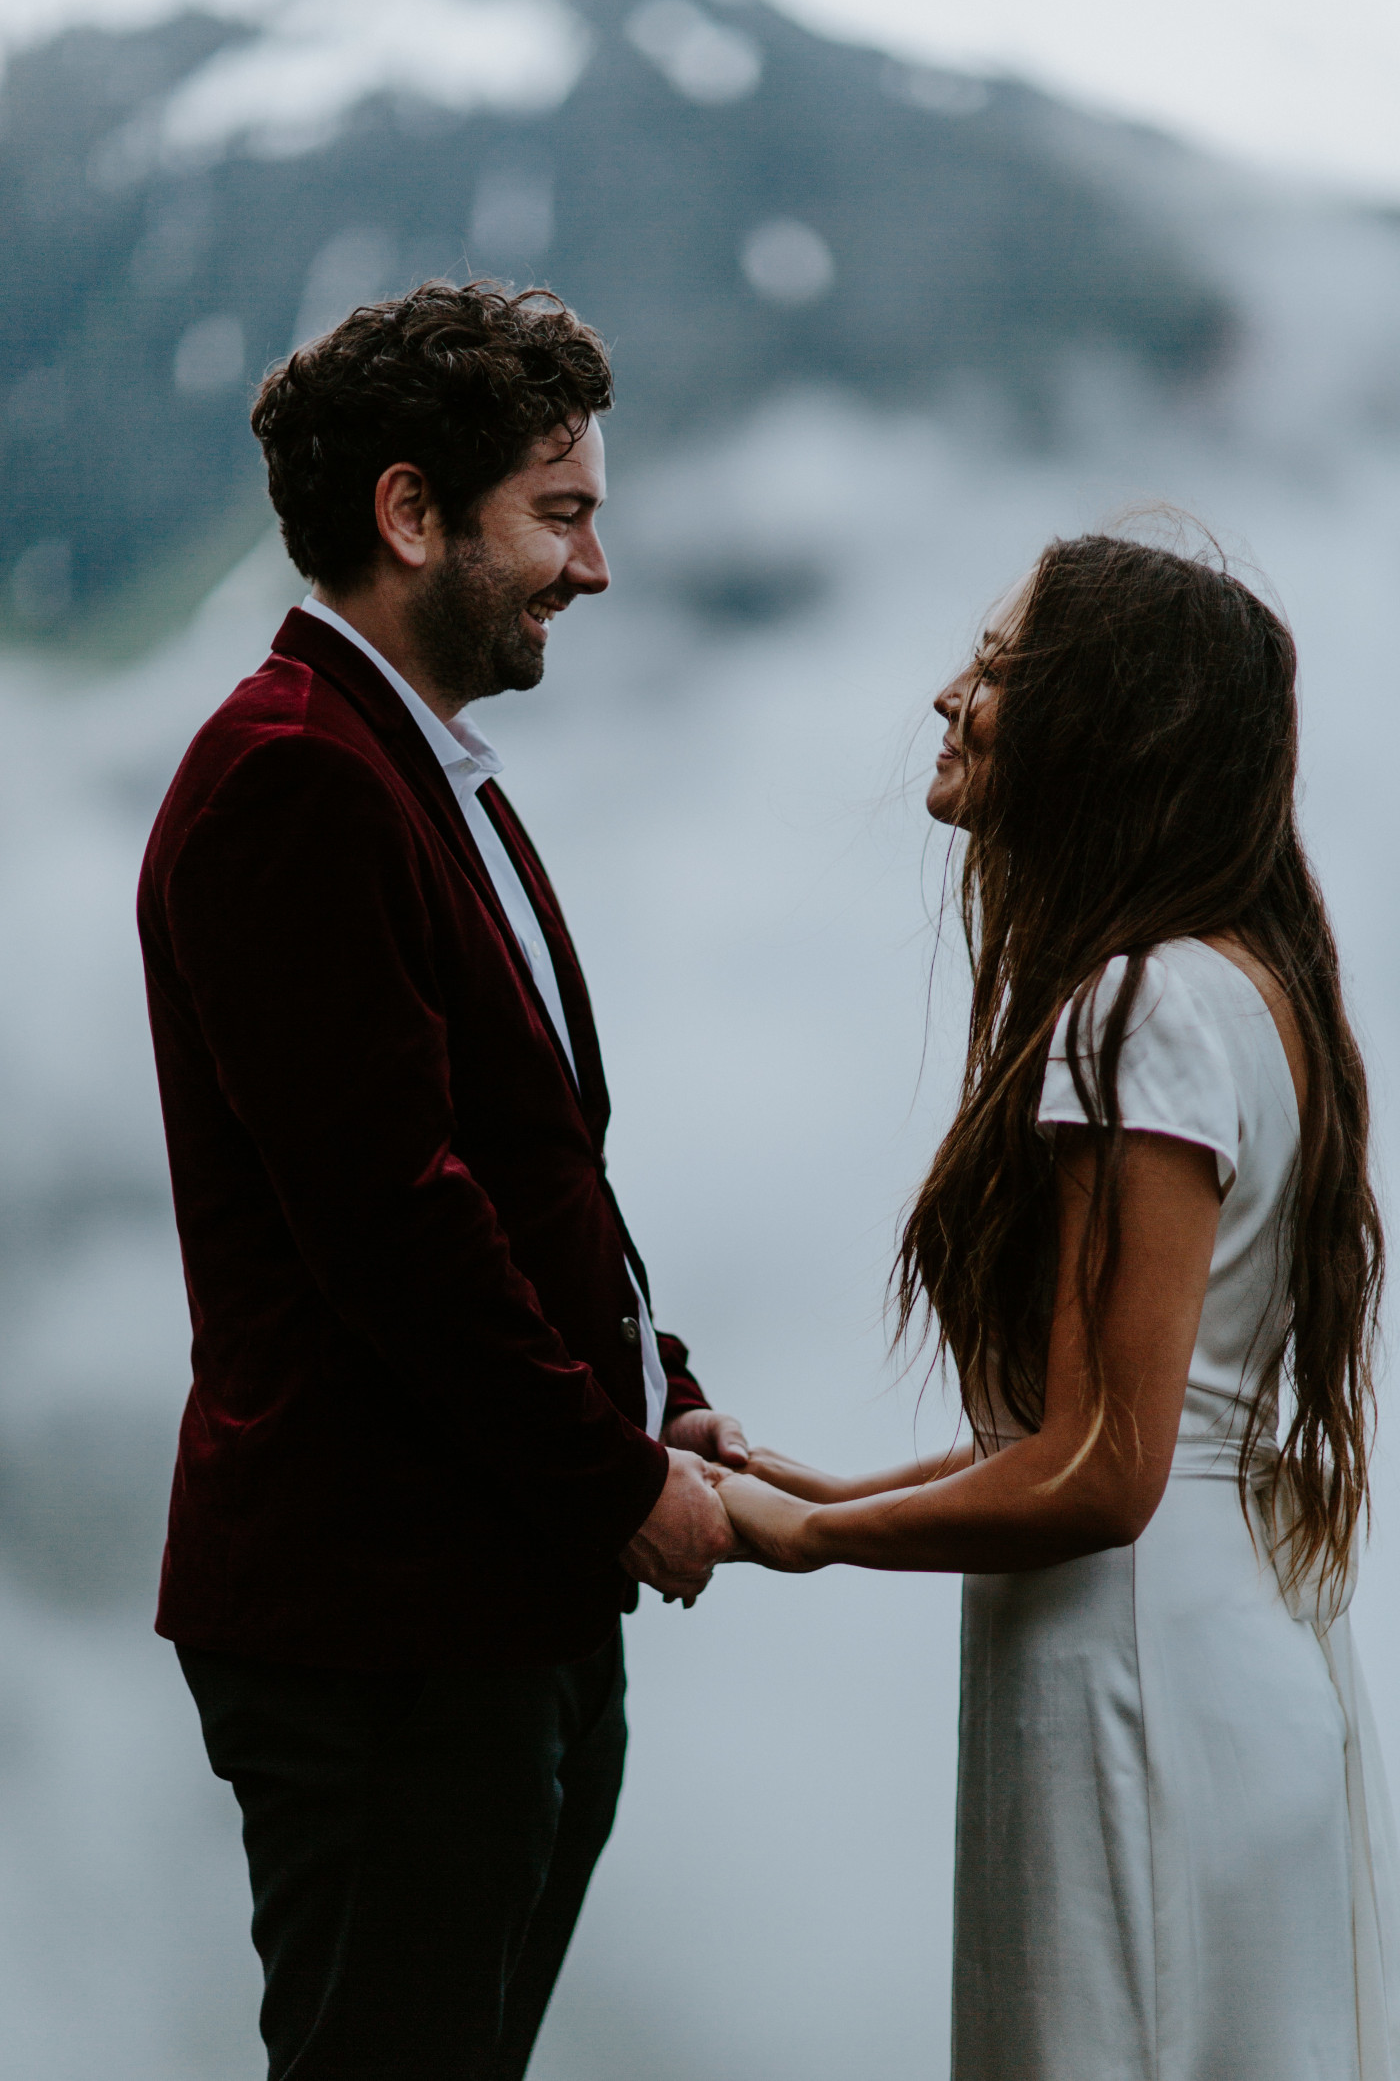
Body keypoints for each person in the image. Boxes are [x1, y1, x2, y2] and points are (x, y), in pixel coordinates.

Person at [137, 279, 744, 2081]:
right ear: (411, 514)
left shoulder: (398, 764)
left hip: (491, 1597)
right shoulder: (292, 784)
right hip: (387, 1622)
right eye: (559, 516)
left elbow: (530, 1153)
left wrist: (663, 1398)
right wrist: (609, 1476)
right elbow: (393, 1218)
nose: (595, 568)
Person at [717, 534, 1400, 2079]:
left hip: (1134, 1672)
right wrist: (820, 1486)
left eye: (1003, 670)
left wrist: (814, 1543)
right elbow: (1102, 1424)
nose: (952, 699)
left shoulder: (1138, 1004)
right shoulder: (1249, 983)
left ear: (1104, 719)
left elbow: (1102, 1469)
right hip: (1221, 1642)